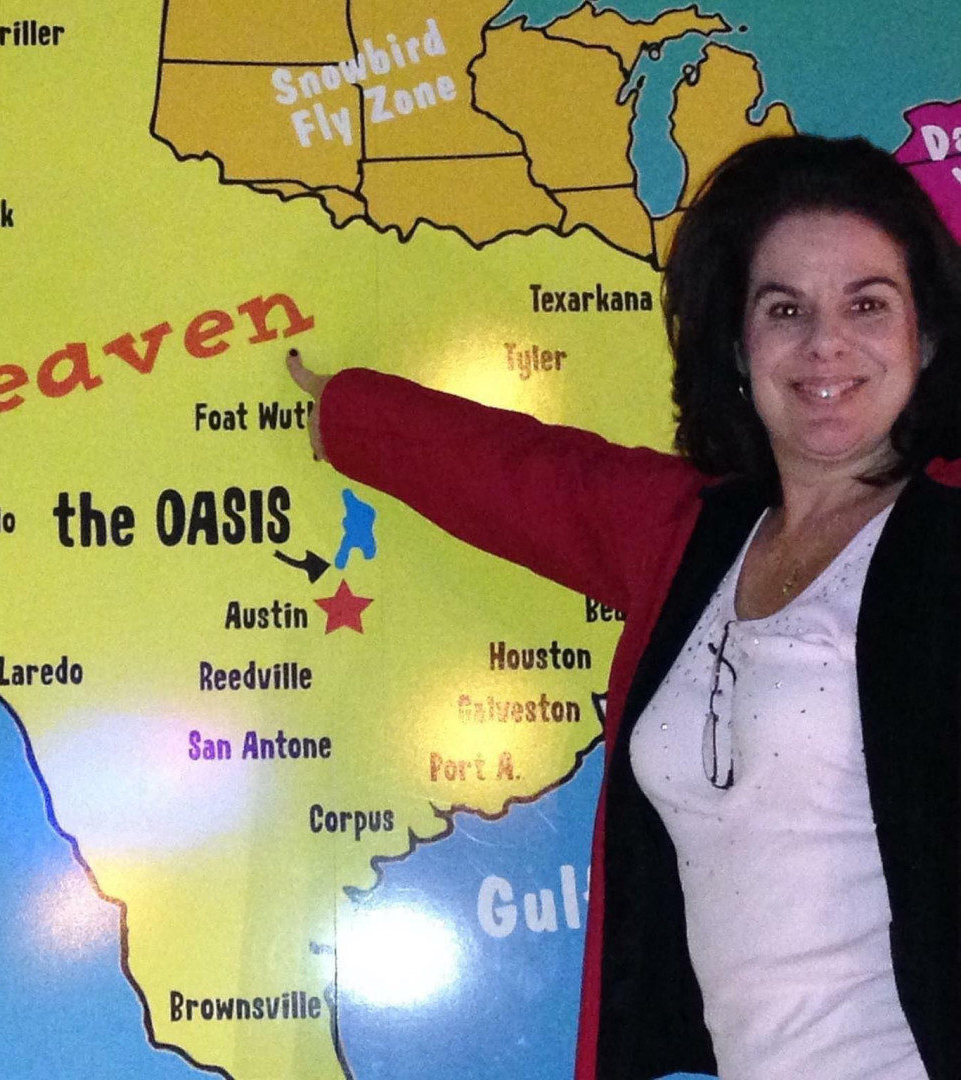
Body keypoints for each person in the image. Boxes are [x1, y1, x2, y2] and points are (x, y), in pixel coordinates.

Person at [287, 134, 961, 1080]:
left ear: (923, 336)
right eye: (783, 309)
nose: (825, 344)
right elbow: (532, 478)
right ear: (736, 346)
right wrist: (347, 413)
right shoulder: (693, 535)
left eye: (866, 304)